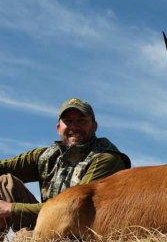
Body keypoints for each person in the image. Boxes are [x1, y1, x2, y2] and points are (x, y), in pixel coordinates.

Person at [0, 98, 131, 234]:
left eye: (81, 121)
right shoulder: (47, 156)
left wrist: (11, 209)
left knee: (23, 235)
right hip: (49, 223)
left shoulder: (106, 158)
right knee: (4, 182)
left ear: (94, 126)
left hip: (81, 231)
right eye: (68, 121)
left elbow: (76, 207)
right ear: (58, 128)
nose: (74, 127)